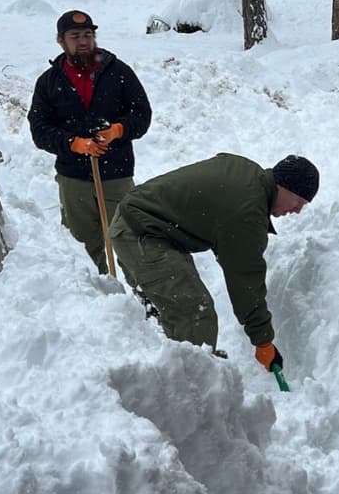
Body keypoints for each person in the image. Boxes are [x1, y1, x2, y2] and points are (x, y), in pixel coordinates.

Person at [108, 153, 319, 373]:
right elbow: (245, 279)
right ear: (284, 186)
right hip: (140, 232)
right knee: (194, 311)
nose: (297, 210)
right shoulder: (247, 211)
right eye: (299, 201)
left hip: (147, 225)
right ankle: (196, 379)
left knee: (180, 306)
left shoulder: (248, 175)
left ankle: (191, 363)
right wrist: (263, 340)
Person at [28, 10, 153, 274]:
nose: (83, 41)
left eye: (88, 35)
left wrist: (118, 130)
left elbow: (142, 114)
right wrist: (73, 143)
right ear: (61, 40)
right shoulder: (49, 82)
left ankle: (142, 292)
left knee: (130, 240)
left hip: (117, 174)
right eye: (75, 36)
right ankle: (98, 292)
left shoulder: (118, 72)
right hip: (73, 179)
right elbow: (39, 130)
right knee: (82, 245)